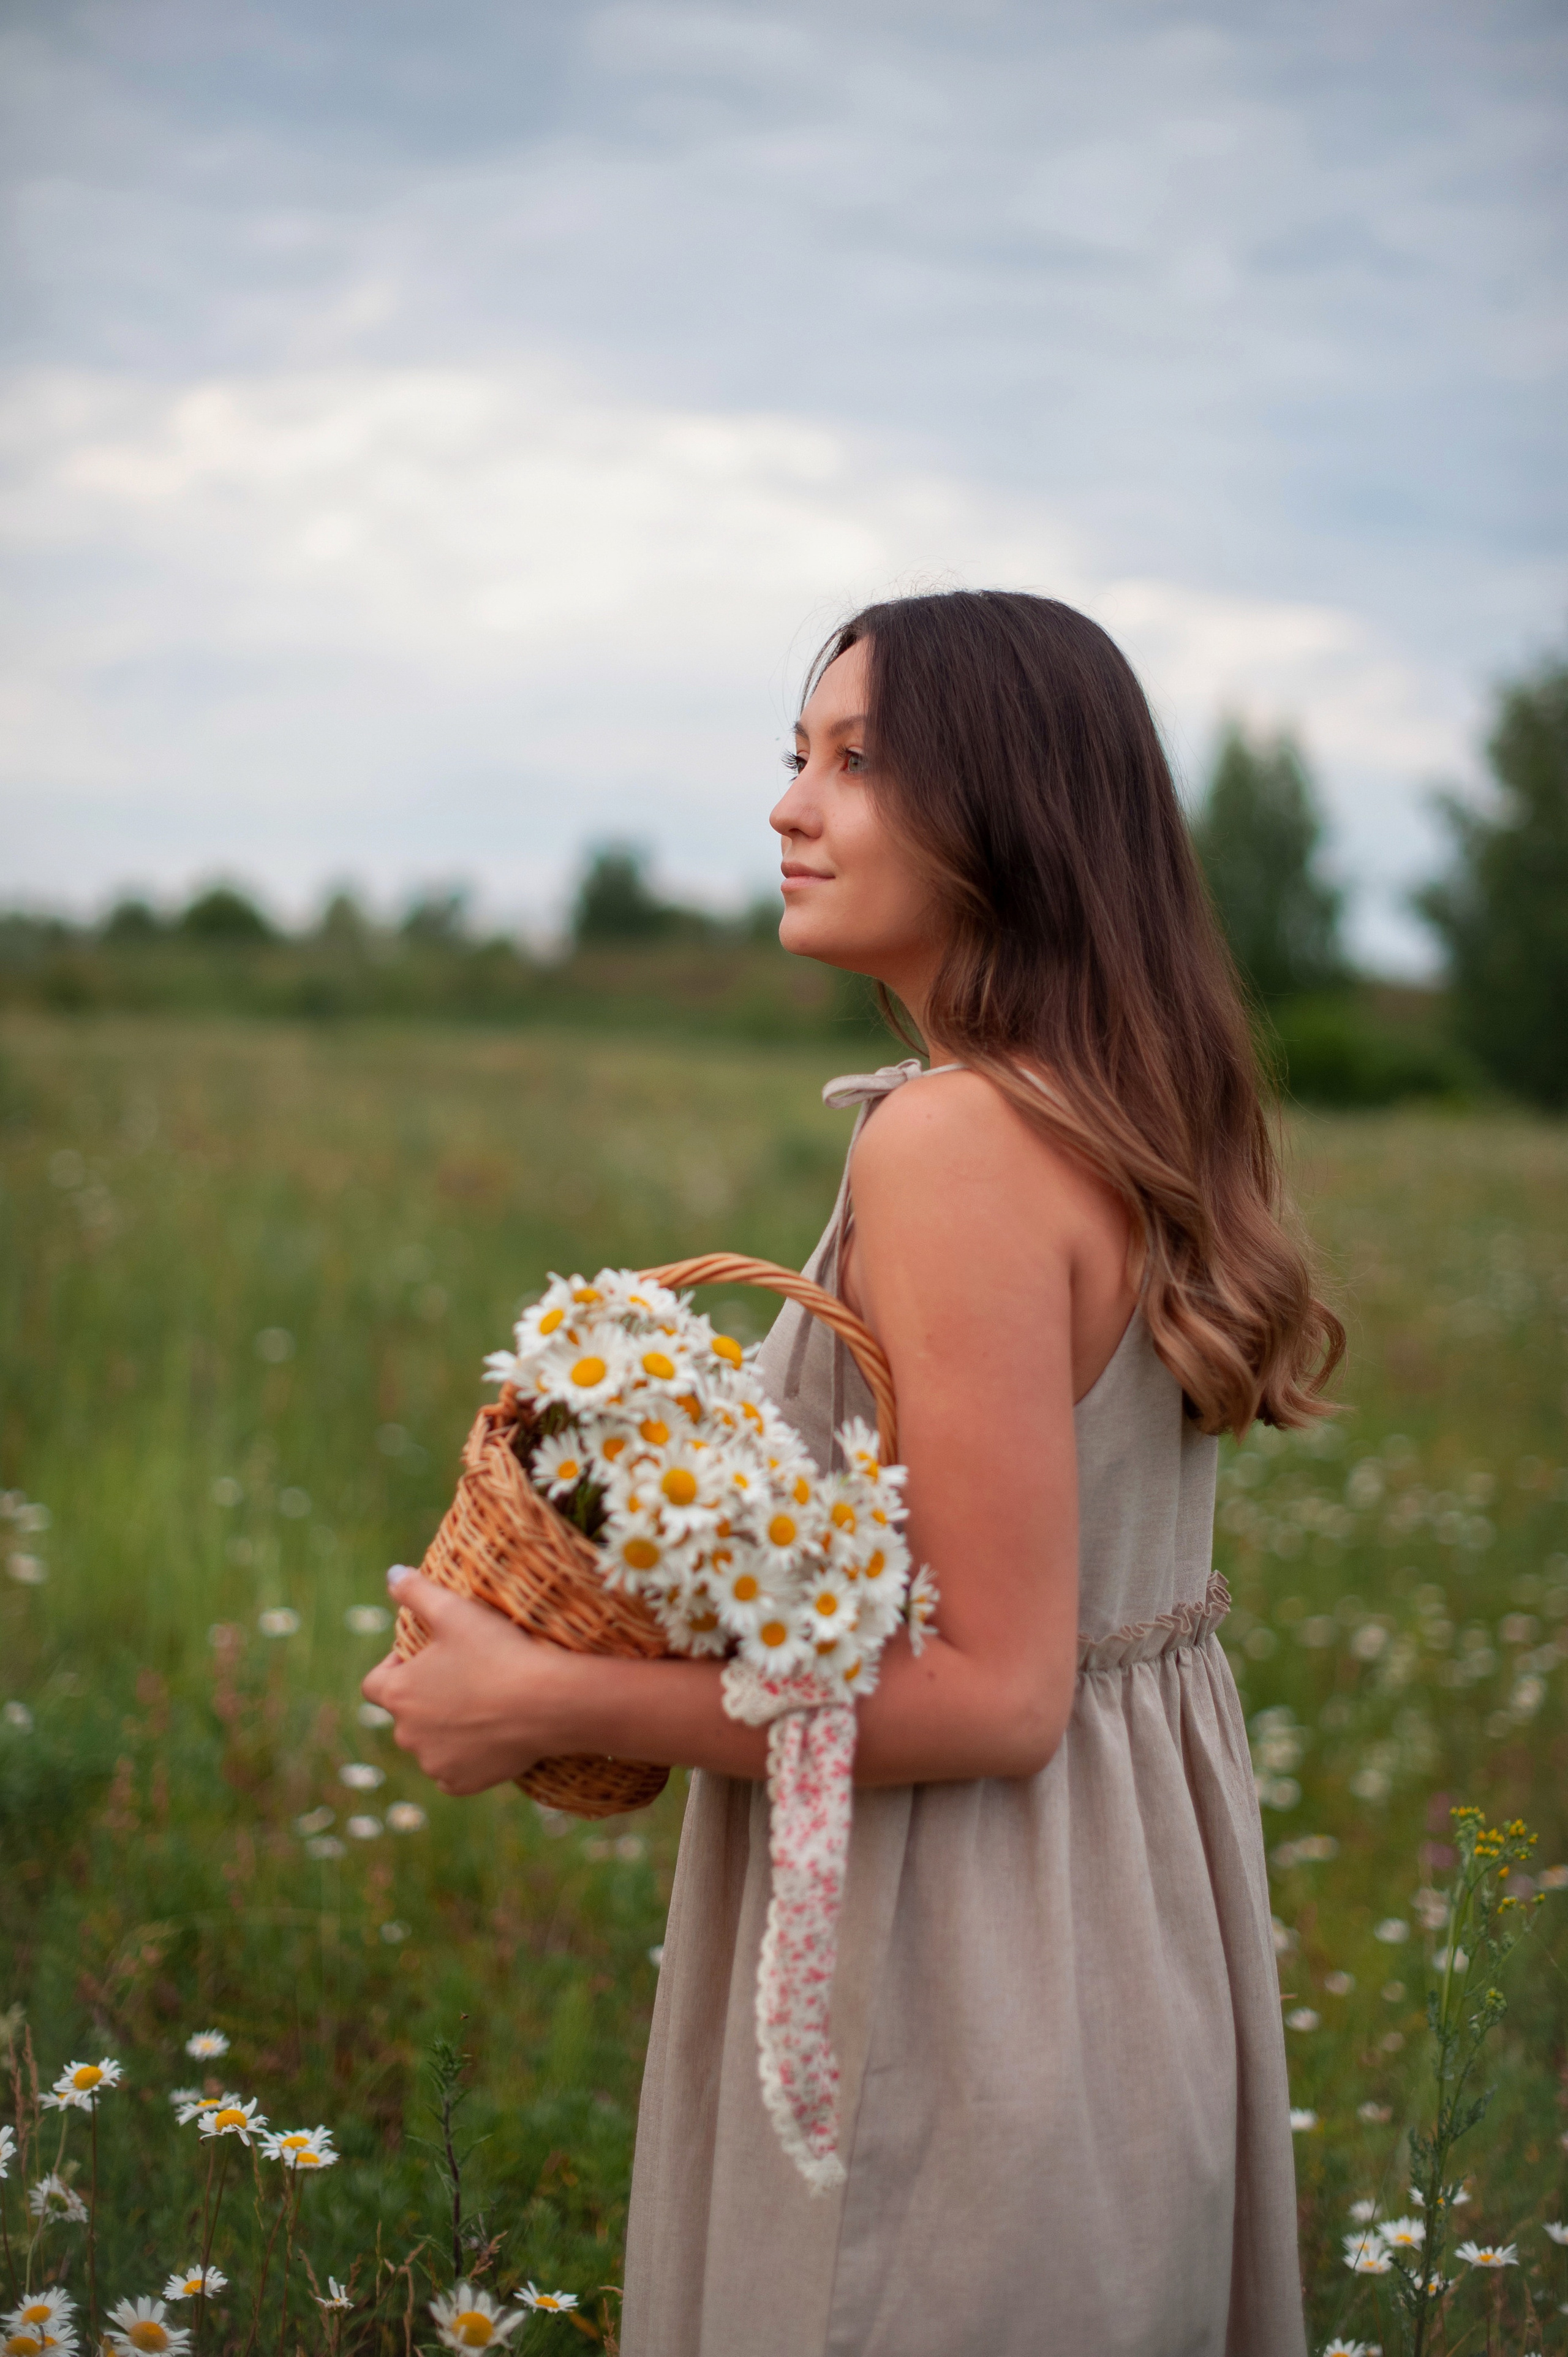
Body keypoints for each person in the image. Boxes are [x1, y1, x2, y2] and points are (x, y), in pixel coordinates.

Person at [366, 590, 1342, 2355]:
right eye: (795, 755)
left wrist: (537, 1697)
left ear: (1011, 813)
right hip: (1119, 1948)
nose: (789, 808)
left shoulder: (956, 1144)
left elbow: (993, 1700)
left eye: (857, 762)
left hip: (959, 1977)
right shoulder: (1102, 1107)